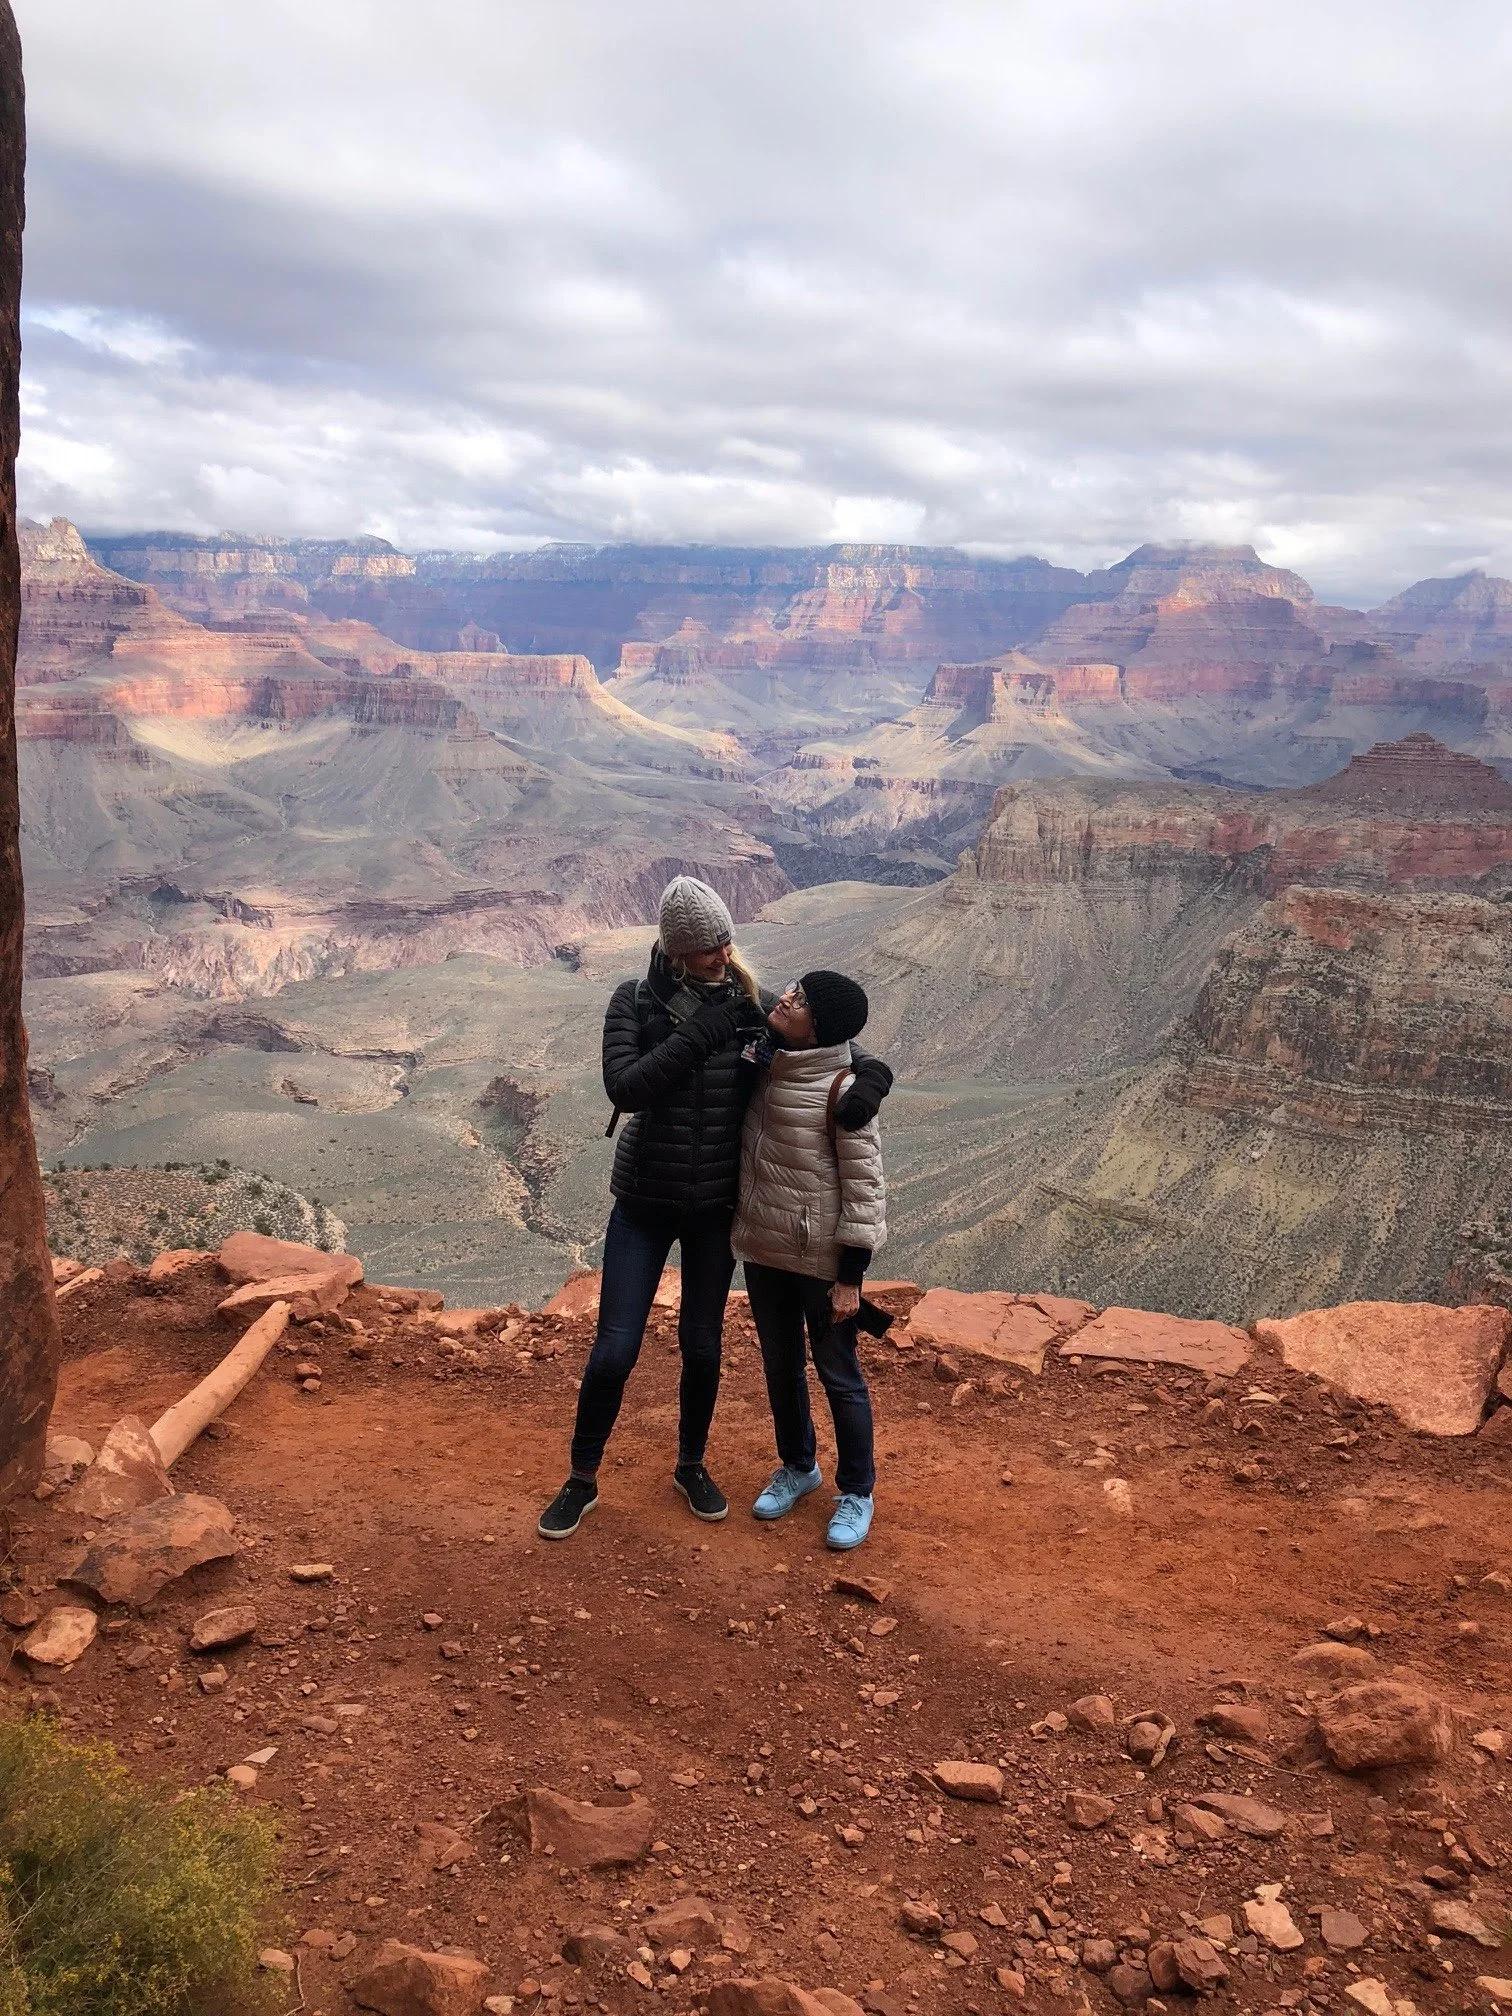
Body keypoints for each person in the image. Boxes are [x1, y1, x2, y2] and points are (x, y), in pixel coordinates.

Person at [538, 880, 893, 1540]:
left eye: (728, 941)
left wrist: (873, 1081)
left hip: (714, 1211)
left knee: (702, 1346)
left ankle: (691, 1466)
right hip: (644, 1202)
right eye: (709, 948)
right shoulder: (635, 1001)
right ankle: (581, 1478)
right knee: (615, 1350)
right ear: (677, 951)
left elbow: (832, 1038)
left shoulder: (748, 1000)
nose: (725, 955)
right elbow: (626, 1085)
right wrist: (703, 1031)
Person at [732, 970, 885, 1551]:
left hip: (820, 1262)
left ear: (818, 1027)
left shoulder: (844, 1090)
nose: (786, 998)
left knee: (839, 1375)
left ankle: (857, 1490)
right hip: (764, 1251)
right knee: (780, 1366)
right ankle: (798, 1466)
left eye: (800, 1001)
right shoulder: (767, 1060)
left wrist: (850, 1279)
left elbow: (865, 1189)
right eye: (793, 989)